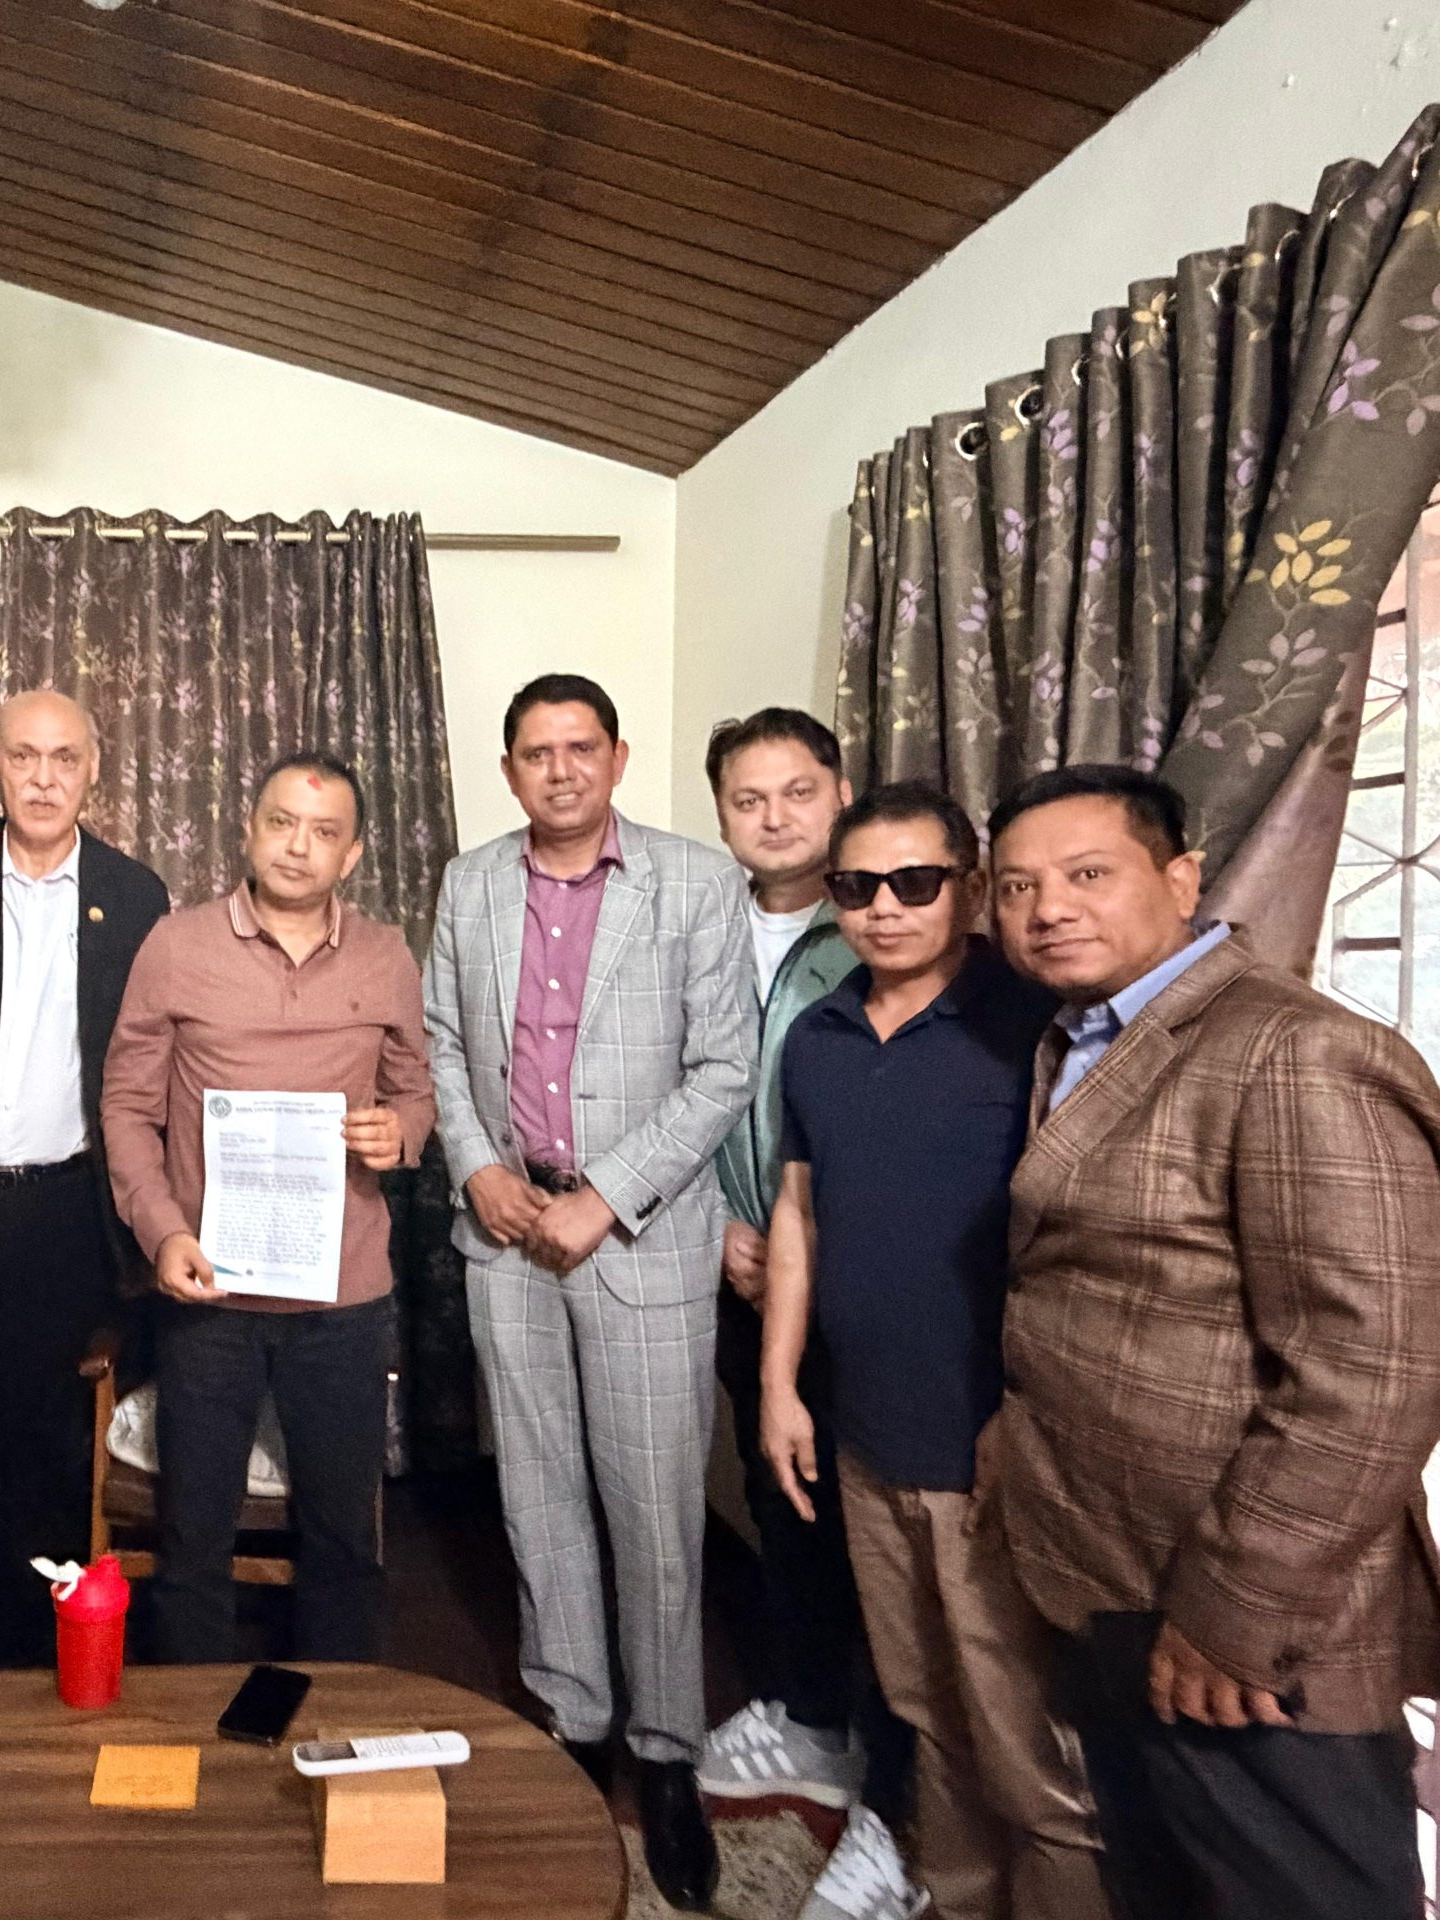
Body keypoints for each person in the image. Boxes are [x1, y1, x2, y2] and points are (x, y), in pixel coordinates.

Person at [985, 764, 1440, 1920]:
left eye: (1086, 874)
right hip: (1113, 1572)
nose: (1047, 909)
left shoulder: (1294, 1051)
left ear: (1181, 879)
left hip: (1249, 1621)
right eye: (1016, 887)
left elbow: (1379, 1370)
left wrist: (1233, 1614)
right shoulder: (1081, 1037)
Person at [421, 672, 754, 1911]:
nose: (558, 770)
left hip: (637, 1240)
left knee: (655, 1508)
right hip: (506, 1232)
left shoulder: (695, 882)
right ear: (508, 771)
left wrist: (605, 1194)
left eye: (579, 748)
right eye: (534, 752)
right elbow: (442, 1041)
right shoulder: (469, 882)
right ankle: (573, 1720)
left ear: (615, 758)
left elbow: (723, 1068)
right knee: (537, 1489)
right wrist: (476, 1169)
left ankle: (665, 1754)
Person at [760, 783, 1103, 1920]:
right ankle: (951, 1895)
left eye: (914, 882)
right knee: (920, 1708)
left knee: (1026, 1743)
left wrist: (1025, 1417)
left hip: (991, 1451)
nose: (884, 907)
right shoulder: (816, 1037)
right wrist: (777, 1387)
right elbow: (797, 1219)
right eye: (856, 886)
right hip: (864, 1433)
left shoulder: (1037, 1028)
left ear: (968, 887)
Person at [101, 752, 433, 1665]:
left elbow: (416, 1094)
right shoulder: (176, 946)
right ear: (248, 831)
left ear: (352, 855)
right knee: (193, 1540)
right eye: (281, 822)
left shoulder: (386, 955)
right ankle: (196, 1728)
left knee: (343, 1543)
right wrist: (162, 1232)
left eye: (324, 832)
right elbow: (127, 1107)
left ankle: (337, 1717)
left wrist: (398, 1134)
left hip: (343, 1297)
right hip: (210, 1289)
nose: (298, 846)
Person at [0, 690, 169, 1667]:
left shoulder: (135, 895)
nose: (43, 779)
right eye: (24, 756)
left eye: (63, 759)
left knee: (57, 1436)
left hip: (70, 1206)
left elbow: (150, 1062)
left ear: (93, 770)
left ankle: (49, 1641)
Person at [699, 709, 899, 1822]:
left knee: (887, 1517)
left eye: (797, 792)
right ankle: (814, 1720)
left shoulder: (882, 920)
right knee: (784, 1497)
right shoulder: (702, 924)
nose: (773, 818)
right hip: (738, 1266)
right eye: (748, 799)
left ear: (840, 793)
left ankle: (896, 1769)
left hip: (861, 1279)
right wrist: (713, 1227)